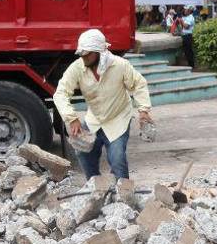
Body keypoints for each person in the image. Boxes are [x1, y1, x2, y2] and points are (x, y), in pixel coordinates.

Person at [53, 28, 153, 180]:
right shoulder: (77, 67)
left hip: (118, 118)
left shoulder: (120, 65)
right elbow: (60, 93)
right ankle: (95, 185)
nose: (83, 58)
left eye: (87, 54)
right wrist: (71, 118)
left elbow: (139, 84)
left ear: (100, 52)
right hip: (95, 119)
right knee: (83, 152)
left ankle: (123, 193)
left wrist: (143, 110)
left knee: (117, 158)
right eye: (81, 54)